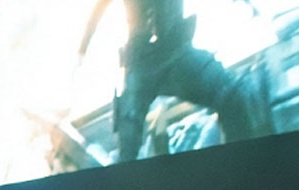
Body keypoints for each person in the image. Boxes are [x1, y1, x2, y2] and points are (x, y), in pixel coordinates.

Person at [78, 0, 272, 162]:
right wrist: (81, 52)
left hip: (177, 54)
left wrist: (248, 5)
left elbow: (95, 15)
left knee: (234, 94)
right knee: (128, 136)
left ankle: (240, 167)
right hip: (143, 63)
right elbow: (96, 14)